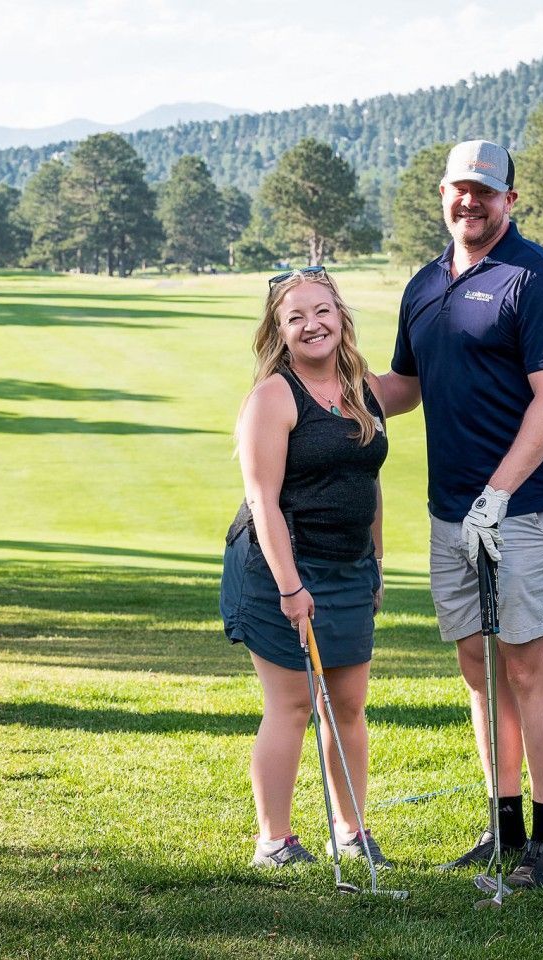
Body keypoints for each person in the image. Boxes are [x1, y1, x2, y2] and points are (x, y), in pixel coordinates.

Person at [374, 140, 543, 888]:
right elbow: (402, 387)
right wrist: (323, 388)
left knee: (526, 665)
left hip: (522, 507)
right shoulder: (425, 283)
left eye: (486, 192)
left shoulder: (538, 277)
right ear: (442, 194)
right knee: (476, 667)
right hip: (447, 512)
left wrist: (496, 494)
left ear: (509, 202)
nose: (472, 202)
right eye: (461, 190)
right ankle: (503, 828)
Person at [220, 266, 389, 869]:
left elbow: (365, 481)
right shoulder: (272, 397)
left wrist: (376, 562)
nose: (312, 324)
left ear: (341, 317)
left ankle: (351, 830)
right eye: (296, 317)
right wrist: (291, 588)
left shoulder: (362, 389)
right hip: (278, 569)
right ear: (280, 333)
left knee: (347, 705)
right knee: (291, 704)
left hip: (348, 568)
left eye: (323, 311)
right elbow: (262, 499)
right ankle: (275, 840)